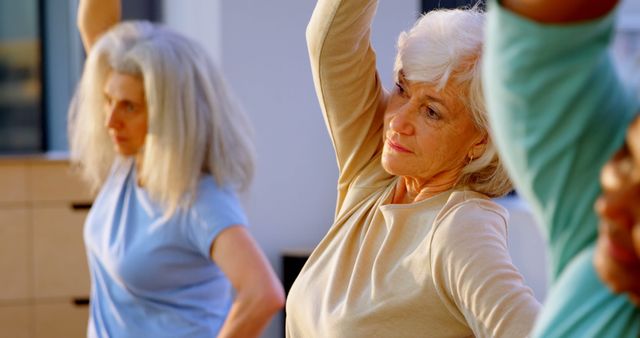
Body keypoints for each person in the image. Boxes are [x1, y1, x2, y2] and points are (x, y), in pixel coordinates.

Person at [285, 0, 540, 336]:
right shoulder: (376, 168)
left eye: (431, 112)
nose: (398, 121)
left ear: (480, 139)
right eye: (402, 89)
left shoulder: (461, 227)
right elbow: (331, 41)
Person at [68, 0, 285, 337]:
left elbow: (264, 294)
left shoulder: (199, 198)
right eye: (108, 100)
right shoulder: (129, 160)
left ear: (169, 114)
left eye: (129, 107)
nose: (111, 120)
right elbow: (95, 24)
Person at [483, 0, 640, 336]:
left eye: (432, 111)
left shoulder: (458, 232)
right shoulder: (607, 246)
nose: (606, 206)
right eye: (626, 157)